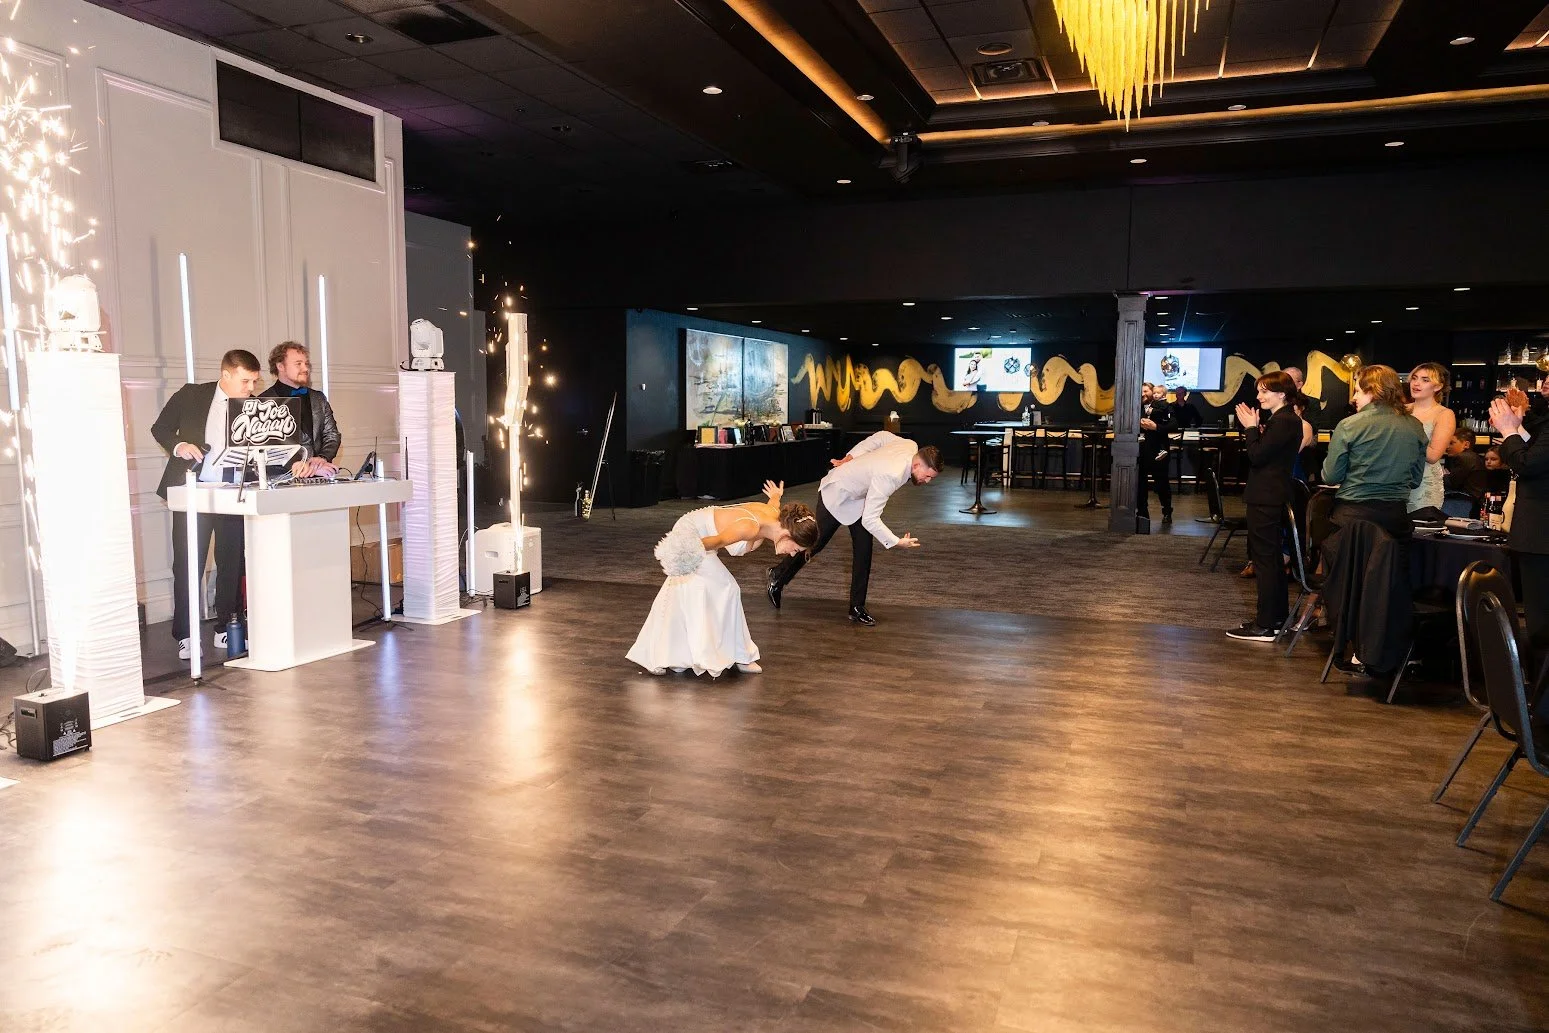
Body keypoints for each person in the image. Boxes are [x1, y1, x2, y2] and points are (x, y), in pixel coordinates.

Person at [152, 349, 278, 661]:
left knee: (232, 560)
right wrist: (179, 446)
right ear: (226, 375)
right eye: (246, 380)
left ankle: (228, 625)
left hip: (232, 492)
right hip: (192, 491)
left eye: (254, 381)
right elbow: (161, 429)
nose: (251, 387)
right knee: (187, 563)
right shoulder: (191, 395)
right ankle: (185, 633)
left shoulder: (255, 407)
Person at [628, 481, 817, 676]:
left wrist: (776, 495)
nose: (793, 554)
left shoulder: (774, 517)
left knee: (690, 592)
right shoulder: (749, 527)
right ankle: (740, 656)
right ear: (787, 534)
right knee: (727, 588)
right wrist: (678, 549)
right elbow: (714, 542)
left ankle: (671, 655)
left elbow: (773, 503)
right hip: (693, 535)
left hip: (705, 534)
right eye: (796, 549)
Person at [765, 431, 942, 625]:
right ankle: (778, 576)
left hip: (859, 498)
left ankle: (856, 608)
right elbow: (870, 519)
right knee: (815, 543)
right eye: (927, 476)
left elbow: (881, 436)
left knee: (864, 550)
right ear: (916, 465)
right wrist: (897, 542)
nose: (927, 481)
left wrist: (852, 456)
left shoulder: (910, 445)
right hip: (837, 492)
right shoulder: (891, 475)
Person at [1228, 372, 1303, 641]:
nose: (1258, 397)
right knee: (1270, 560)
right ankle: (1276, 618)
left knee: (1266, 561)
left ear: (1281, 394)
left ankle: (1266, 623)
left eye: (1263, 392)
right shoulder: (1284, 420)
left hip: (1266, 498)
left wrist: (1250, 428)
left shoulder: (1284, 421)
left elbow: (1257, 457)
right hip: (1270, 496)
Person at [1322, 364, 1427, 537]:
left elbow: (1330, 477)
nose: (1354, 397)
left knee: (1347, 563)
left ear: (1373, 391)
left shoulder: (1349, 425)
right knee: (1392, 564)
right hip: (1396, 518)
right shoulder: (1415, 426)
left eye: (1358, 391)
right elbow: (1415, 480)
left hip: (1353, 517)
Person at [1491, 396, 1549, 654]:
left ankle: (1541, 691)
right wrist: (1517, 430)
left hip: (1542, 534)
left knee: (1542, 624)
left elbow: (1529, 465)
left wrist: (1507, 431)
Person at [260, 341, 341, 477]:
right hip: (280, 481)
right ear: (280, 366)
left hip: (319, 477)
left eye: (306, 363)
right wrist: (302, 465)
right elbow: (268, 449)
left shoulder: (318, 398)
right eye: (298, 364)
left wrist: (321, 458)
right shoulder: (263, 402)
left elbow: (332, 435)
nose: (305, 368)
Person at [1405, 362, 1456, 515]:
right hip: (1396, 480)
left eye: (1425, 380)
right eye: (1415, 378)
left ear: (1438, 386)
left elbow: (1433, 455)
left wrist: (1405, 435)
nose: (1416, 383)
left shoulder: (1444, 414)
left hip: (1424, 483)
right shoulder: (1401, 410)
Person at [1139, 383, 1177, 524]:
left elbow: (1173, 424)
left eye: (1146, 391)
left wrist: (1156, 427)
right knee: (1140, 483)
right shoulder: (1136, 407)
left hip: (1158, 451)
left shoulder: (1164, 406)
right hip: (1140, 451)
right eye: (1141, 391)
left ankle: (1167, 511)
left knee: (1162, 483)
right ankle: (1143, 513)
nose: (1143, 394)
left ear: (1153, 392)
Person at [1443, 427, 1487, 503]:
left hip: (1464, 503)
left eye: (1451, 443)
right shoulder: (1475, 457)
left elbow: (1452, 483)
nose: (1447, 447)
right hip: (1473, 502)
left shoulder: (1463, 457)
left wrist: (1441, 475)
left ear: (1466, 444)